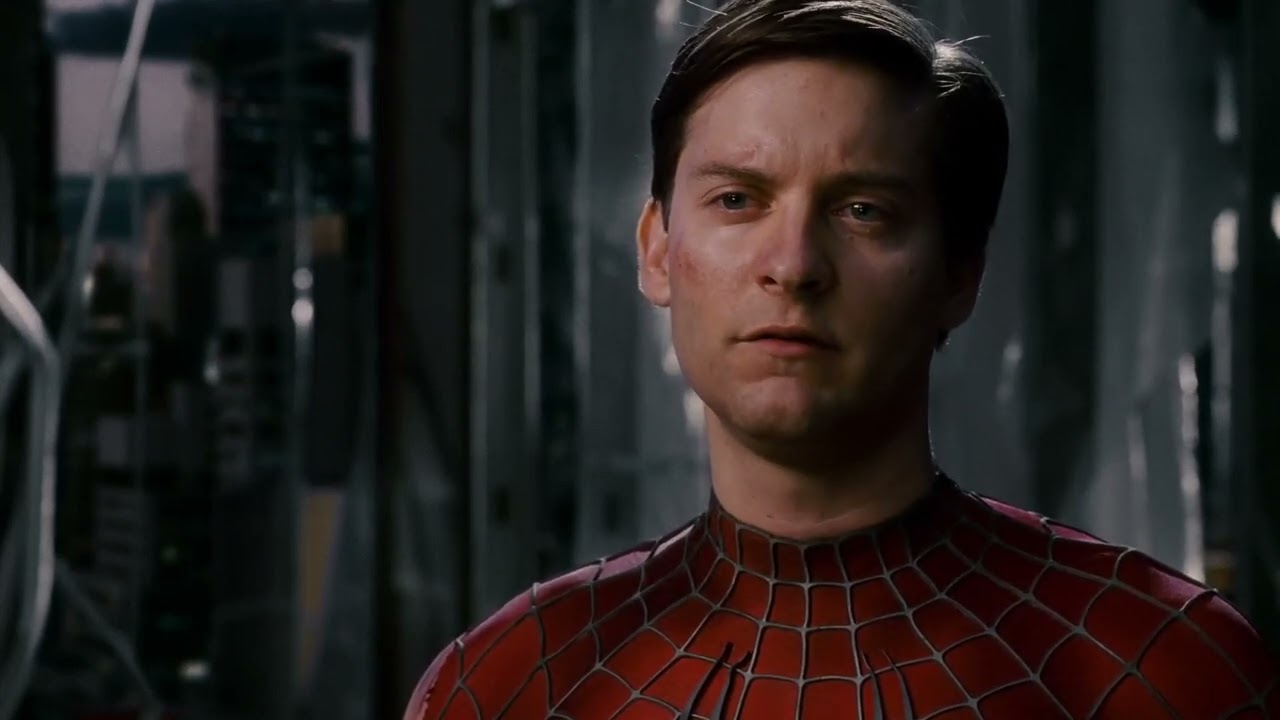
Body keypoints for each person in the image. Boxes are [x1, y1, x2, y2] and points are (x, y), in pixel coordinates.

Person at [406, 0, 1280, 717]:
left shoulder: (1157, 669)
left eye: (863, 210)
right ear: (657, 250)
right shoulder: (513, 684)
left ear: (959, 275)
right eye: (738, 199)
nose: (792, 265)